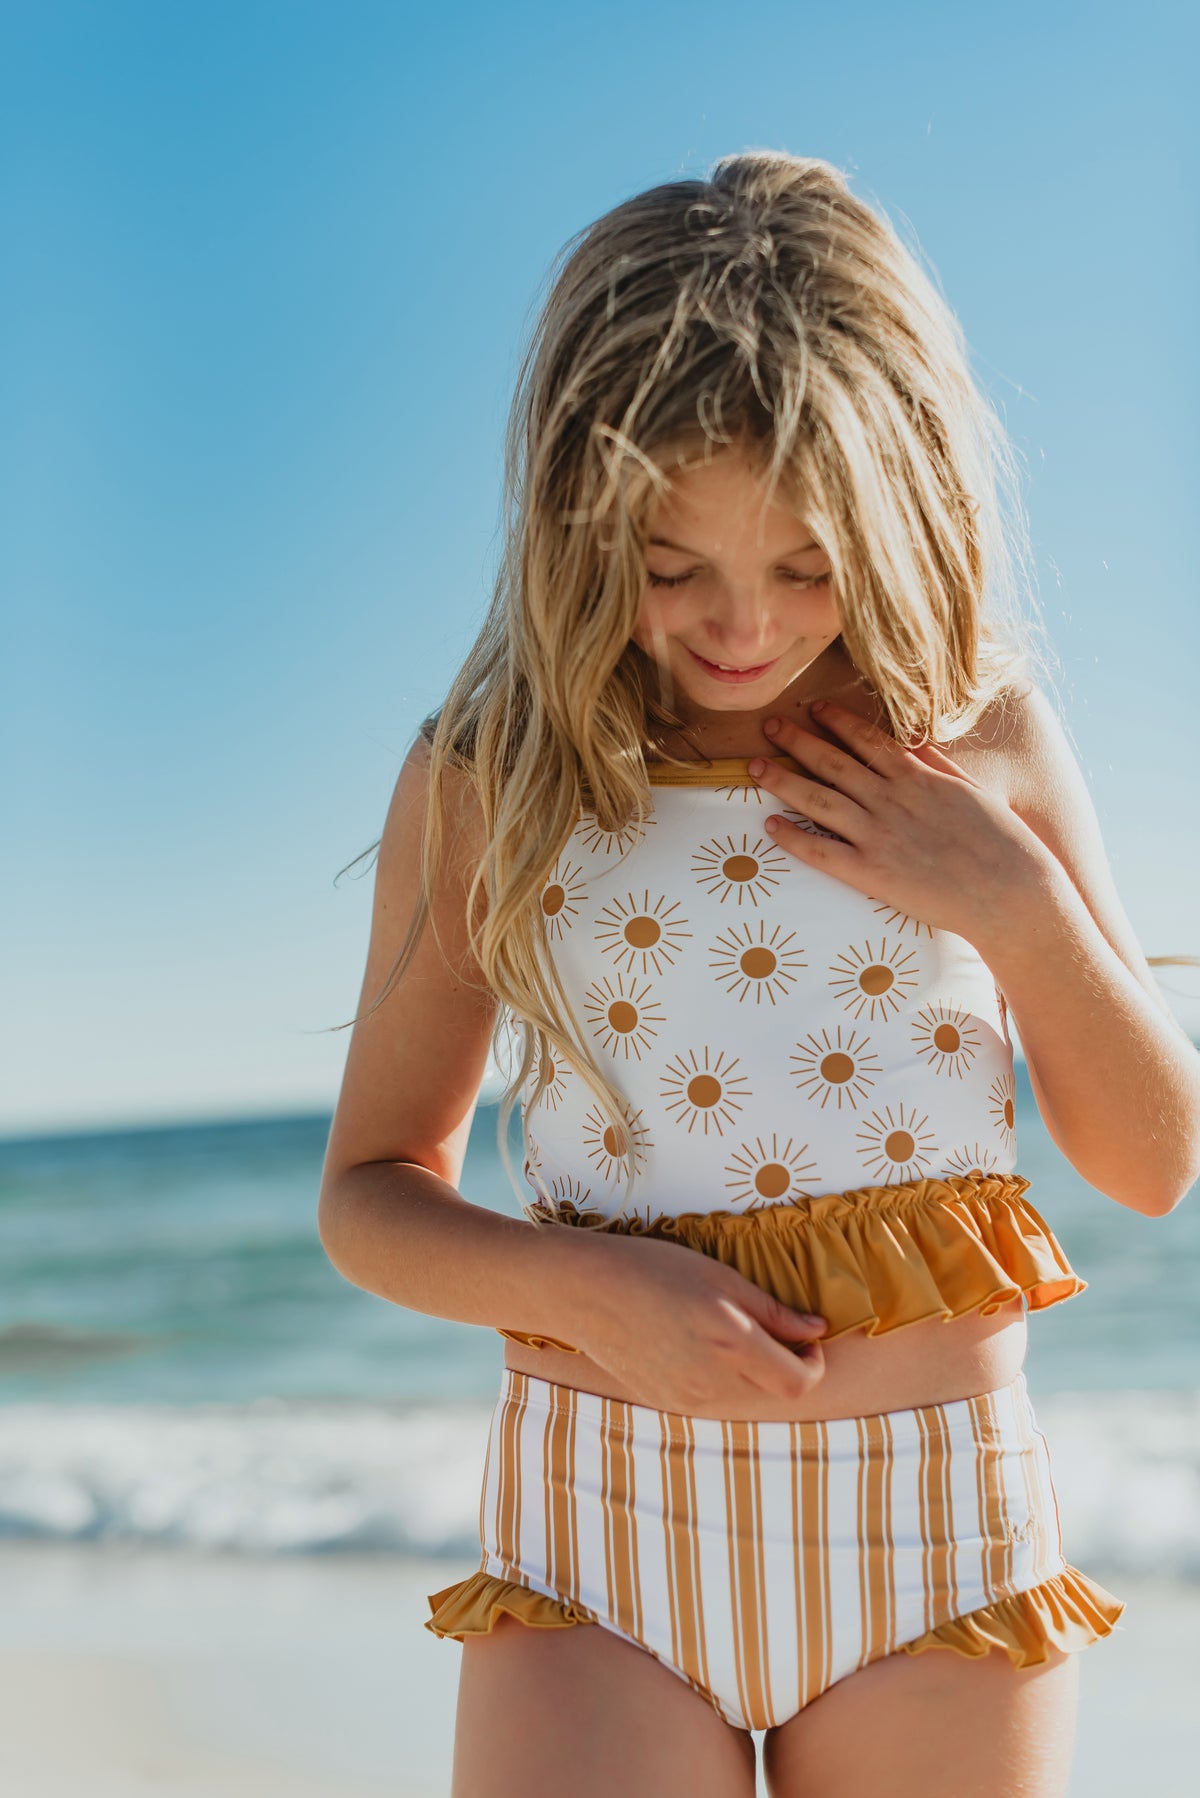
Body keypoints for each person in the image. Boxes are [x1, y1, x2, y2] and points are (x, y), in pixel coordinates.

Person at [316, 152, 1200, 1798]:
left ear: (907, 500)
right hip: (603, 1524)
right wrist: (591, 1291)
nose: (741, 625)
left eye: (806, 566)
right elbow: (369, 1193)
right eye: (671, 568)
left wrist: (1010, 900)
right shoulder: (497, 771)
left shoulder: (979, 738)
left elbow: (1151, 1161)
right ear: (579, 523)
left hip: (933, 1541)